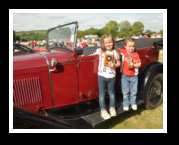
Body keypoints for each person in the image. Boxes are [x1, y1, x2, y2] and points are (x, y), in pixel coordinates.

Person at [93, 34, 120, 120]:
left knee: (112, 93)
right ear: (103, 44)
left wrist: (114, 65)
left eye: (110, 42)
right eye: (106, 43)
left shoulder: (115, 52)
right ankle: (103, 110)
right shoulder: (100, 50)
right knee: (102, 94)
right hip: (101, 76)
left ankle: (112, 108)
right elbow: (92, 55)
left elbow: (119, 63)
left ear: (113, 42)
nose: (109, 44)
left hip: (112, 76)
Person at [119, 38, 141, 111]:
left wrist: (133, 65)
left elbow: (139, 64)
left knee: (134, 91)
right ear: (125, 46)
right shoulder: (123, 52)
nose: (131, 48)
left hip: (134, 76)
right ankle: (126, 104)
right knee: (125, 92)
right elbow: (115, 49)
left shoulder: (136, 54)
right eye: (129, 46)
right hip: (124, 76)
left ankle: (133, 103)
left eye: (133, 46)